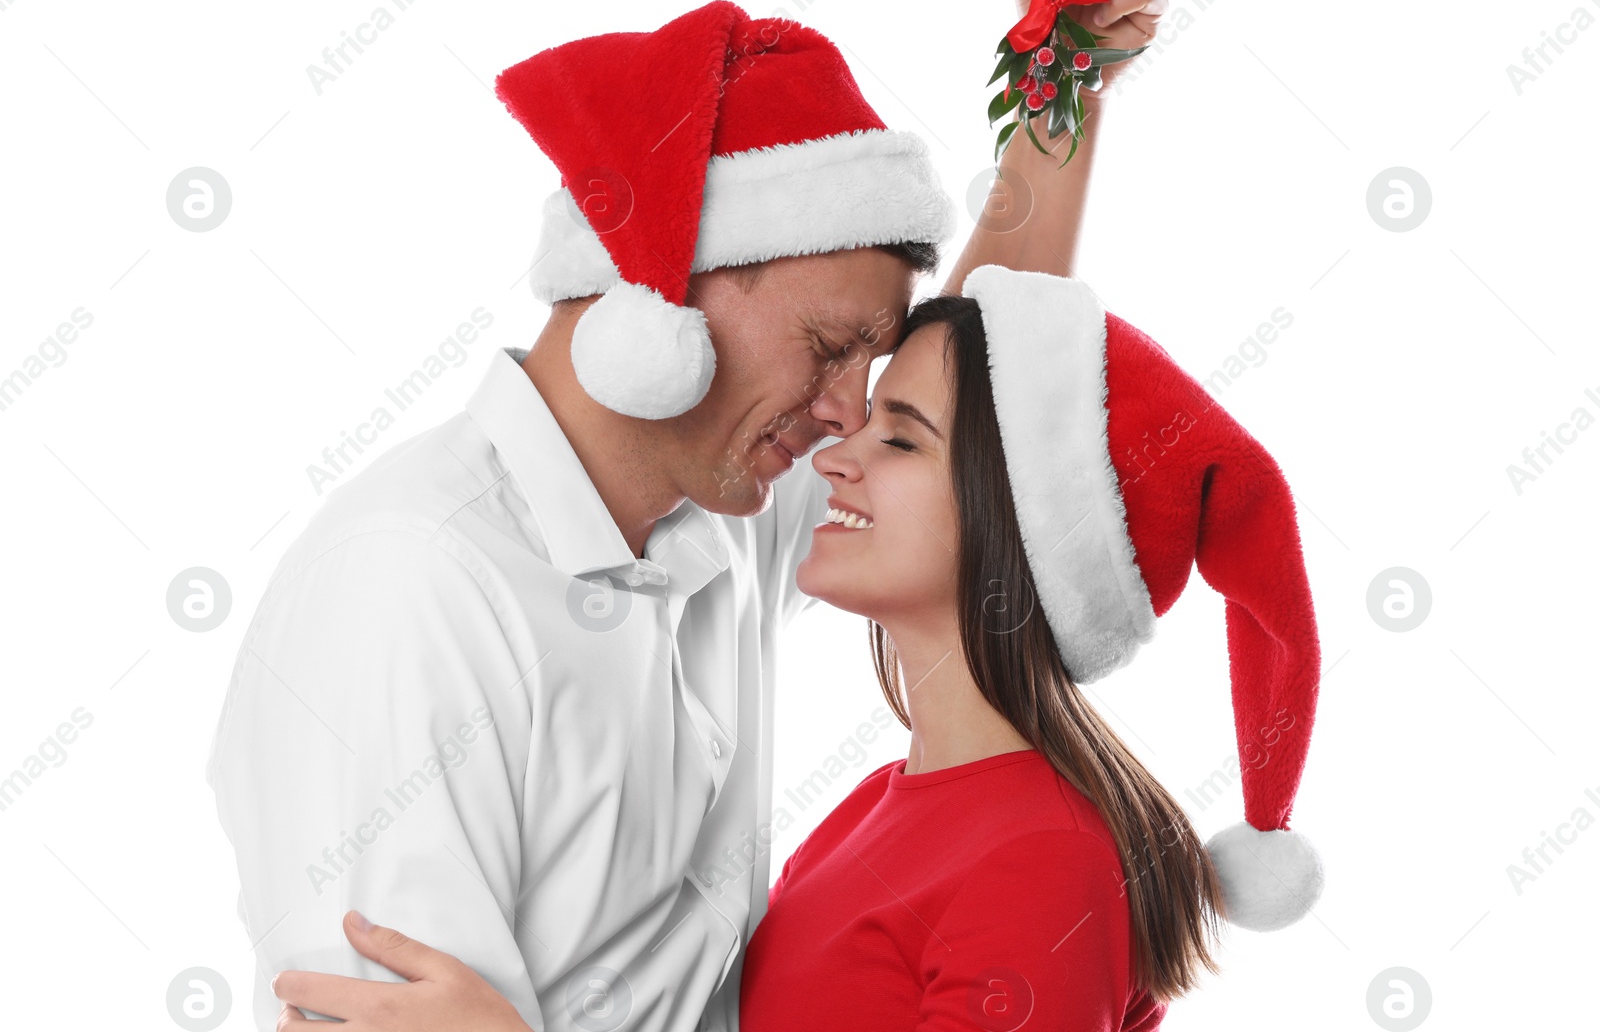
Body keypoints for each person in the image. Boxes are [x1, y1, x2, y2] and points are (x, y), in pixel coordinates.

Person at [208, 0, 1168, 1032]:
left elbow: (968, 410)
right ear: (659, 303)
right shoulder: (416, 592)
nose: (843, 419)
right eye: (830, 350)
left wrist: (1058, 84)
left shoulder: (715, 510)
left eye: (870, 375)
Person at [269, 264, 1326, 1030]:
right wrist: (1055, 83)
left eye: (898, 437)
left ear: (1023, 521)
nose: (834, 458)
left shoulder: (1044, 859)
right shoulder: (878, 805)